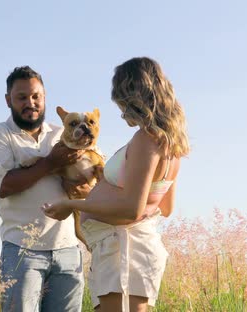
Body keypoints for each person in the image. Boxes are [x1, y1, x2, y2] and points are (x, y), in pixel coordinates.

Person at [42, 57, 190, 311]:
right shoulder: (170, 144)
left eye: (122, 104)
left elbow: (132, 209)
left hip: (123, 250)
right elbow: (163, 207)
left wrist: (72, 204)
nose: (121, 113)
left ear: (134, 98)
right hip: (124, 248)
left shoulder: (146, 140)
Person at [0, 66, 91, 311]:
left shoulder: (64, 131)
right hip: (22, 251)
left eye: (36, 96)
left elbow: (91, 173)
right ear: (8, 100)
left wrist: (83, 185)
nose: (30, 103)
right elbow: (4, 186)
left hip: (68, 250)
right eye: (21, 98)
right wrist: (52, 163)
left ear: (44, 97)